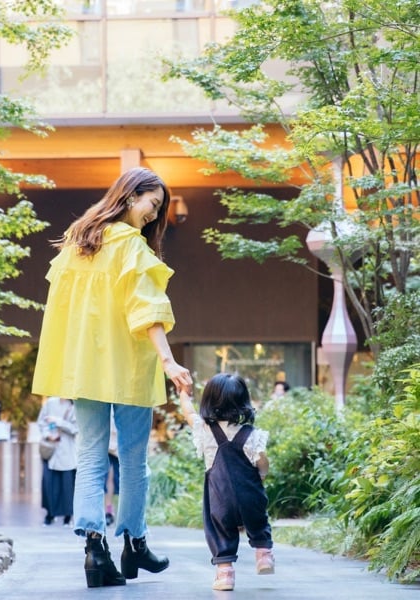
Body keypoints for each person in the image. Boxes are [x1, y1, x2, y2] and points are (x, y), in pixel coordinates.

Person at [32, 166, 192, 588]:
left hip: (86, 368)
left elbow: (61, 311)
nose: (152, 215)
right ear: (130, 195)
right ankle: (135, 544)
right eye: (152, 204)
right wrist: (169, 362)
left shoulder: (77, 241)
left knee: (90, 456)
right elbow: (148, 310)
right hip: (129, 367)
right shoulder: (131, 246)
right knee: (134, 460)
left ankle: (94, 551)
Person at [178, 373, 274, 591]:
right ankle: (264, 555)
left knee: (220, 529)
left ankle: (225, 574)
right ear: (243, 401)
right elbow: (262, 460)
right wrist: (261, 475)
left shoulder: (205, 429)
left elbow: (188, 412)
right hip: (250, 493)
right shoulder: (250, 433)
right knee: (258, 521)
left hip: (220, 496)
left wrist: (184, 394)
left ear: (209, 401)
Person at [37, 396, 78, 527]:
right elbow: (41, 422)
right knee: (49, 484)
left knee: (67, 486)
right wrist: (48, 435)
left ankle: (68, 516)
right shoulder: (50, 402)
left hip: (67, 451)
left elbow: (76, 428)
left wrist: (58, 421)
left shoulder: (75, 405)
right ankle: (50, 514)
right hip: (52, 450)